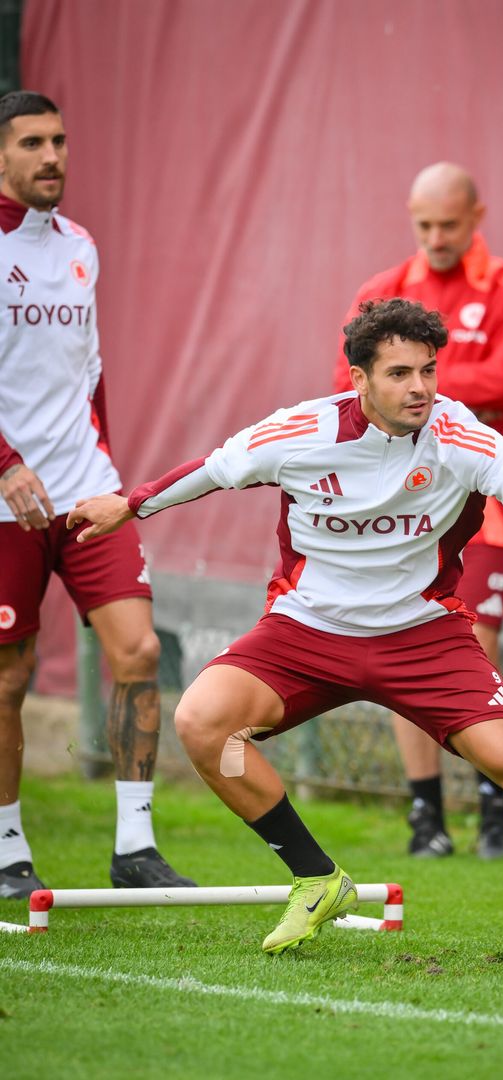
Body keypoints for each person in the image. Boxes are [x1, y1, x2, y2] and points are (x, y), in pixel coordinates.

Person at [68, 297, 503, 965]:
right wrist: (130, 504)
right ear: (358, 379)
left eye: (428, 370)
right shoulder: (301, 431)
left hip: (424, 636)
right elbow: (212, 471)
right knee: (202, 723)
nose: (420, 388)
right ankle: (316, 878)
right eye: (399, 373)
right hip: (306, 633)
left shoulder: (459, 436)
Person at [0, 91, 195, 897]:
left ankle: (135, 849)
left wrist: (104, 464)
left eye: (60, 141)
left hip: (86, 489)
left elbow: (91, 372)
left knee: (139, 651)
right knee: (9, 677)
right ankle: (7, 851)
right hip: (6, 500)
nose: (53, 156)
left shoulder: (81, 245)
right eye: (32, 143)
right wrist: (6, 464)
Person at [334, 162, 503, 858]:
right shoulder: (383, 290)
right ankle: (427, 817)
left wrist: (410, 387)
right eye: (423, 224)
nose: (436, 237)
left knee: (479, 644)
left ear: (476, 217)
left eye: (448, 224)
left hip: (485, 505)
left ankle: (494, 810)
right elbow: (347, 383)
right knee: (402, 641)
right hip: (399, 500)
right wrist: (448, 389)